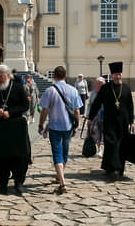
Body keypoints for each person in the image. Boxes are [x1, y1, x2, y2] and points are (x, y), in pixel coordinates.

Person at [0, 64, 31, 195]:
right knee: (0, 156)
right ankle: (2, 183)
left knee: (19, 155)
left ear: (8, 75)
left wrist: (11, 112)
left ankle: (18, 182)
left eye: (0, 76)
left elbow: (25, 105)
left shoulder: (18, 88)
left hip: (16, 126)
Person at [86, 61, 134, 182]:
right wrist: (91, 118)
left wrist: (132, 121)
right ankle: (112, 169)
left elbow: (130, 106)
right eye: (115, 74)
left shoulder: (126, 88)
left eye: (119, 74)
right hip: (109, 122)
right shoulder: (106, 89)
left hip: (123, 123)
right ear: (112, 75)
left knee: (122, 146)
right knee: (112, 145)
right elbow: (96, 104)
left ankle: (119, 168)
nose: (118, 76)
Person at [38, 66, 82, 194]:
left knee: (57, 153)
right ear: (65, 76)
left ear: (54, 76)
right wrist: (76, 126)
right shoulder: (73, 90)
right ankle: (59, 176)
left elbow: (44, 110)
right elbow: (77, 111)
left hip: (55, 126)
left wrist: (41, 125)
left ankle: (62, 183)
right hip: (68, 126)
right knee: (64, 152)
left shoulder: (50, 91)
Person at [87, 77, 106, 157]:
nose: (99, 85)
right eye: (97, 83)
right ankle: (99, 149)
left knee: (104, 133)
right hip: (95, 116)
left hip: (105, 116)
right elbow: (90, 104)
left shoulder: (108, 92)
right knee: (97, 133)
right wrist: (88, 114)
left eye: (100, 83)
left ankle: (103, 149)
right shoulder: (93, 93)